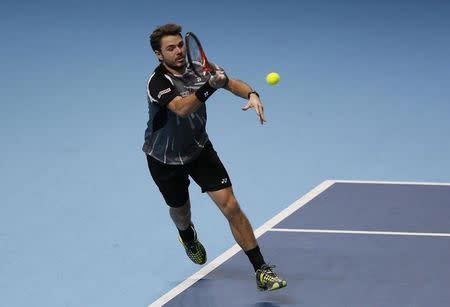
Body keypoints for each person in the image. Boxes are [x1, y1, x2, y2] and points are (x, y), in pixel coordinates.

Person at [143, 23, 287, 291]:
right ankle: (187, 236)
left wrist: (252, 93)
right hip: (164, 159)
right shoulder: (158, 82)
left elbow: (232, 84)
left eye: (180, 45)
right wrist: (210, 86)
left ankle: (261, 270)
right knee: (181, 211)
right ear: (159, 55)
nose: (178, 51)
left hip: (199, 150)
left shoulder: (200, 68)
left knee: (231, 206)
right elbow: (182, 108)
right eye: (170, 48)